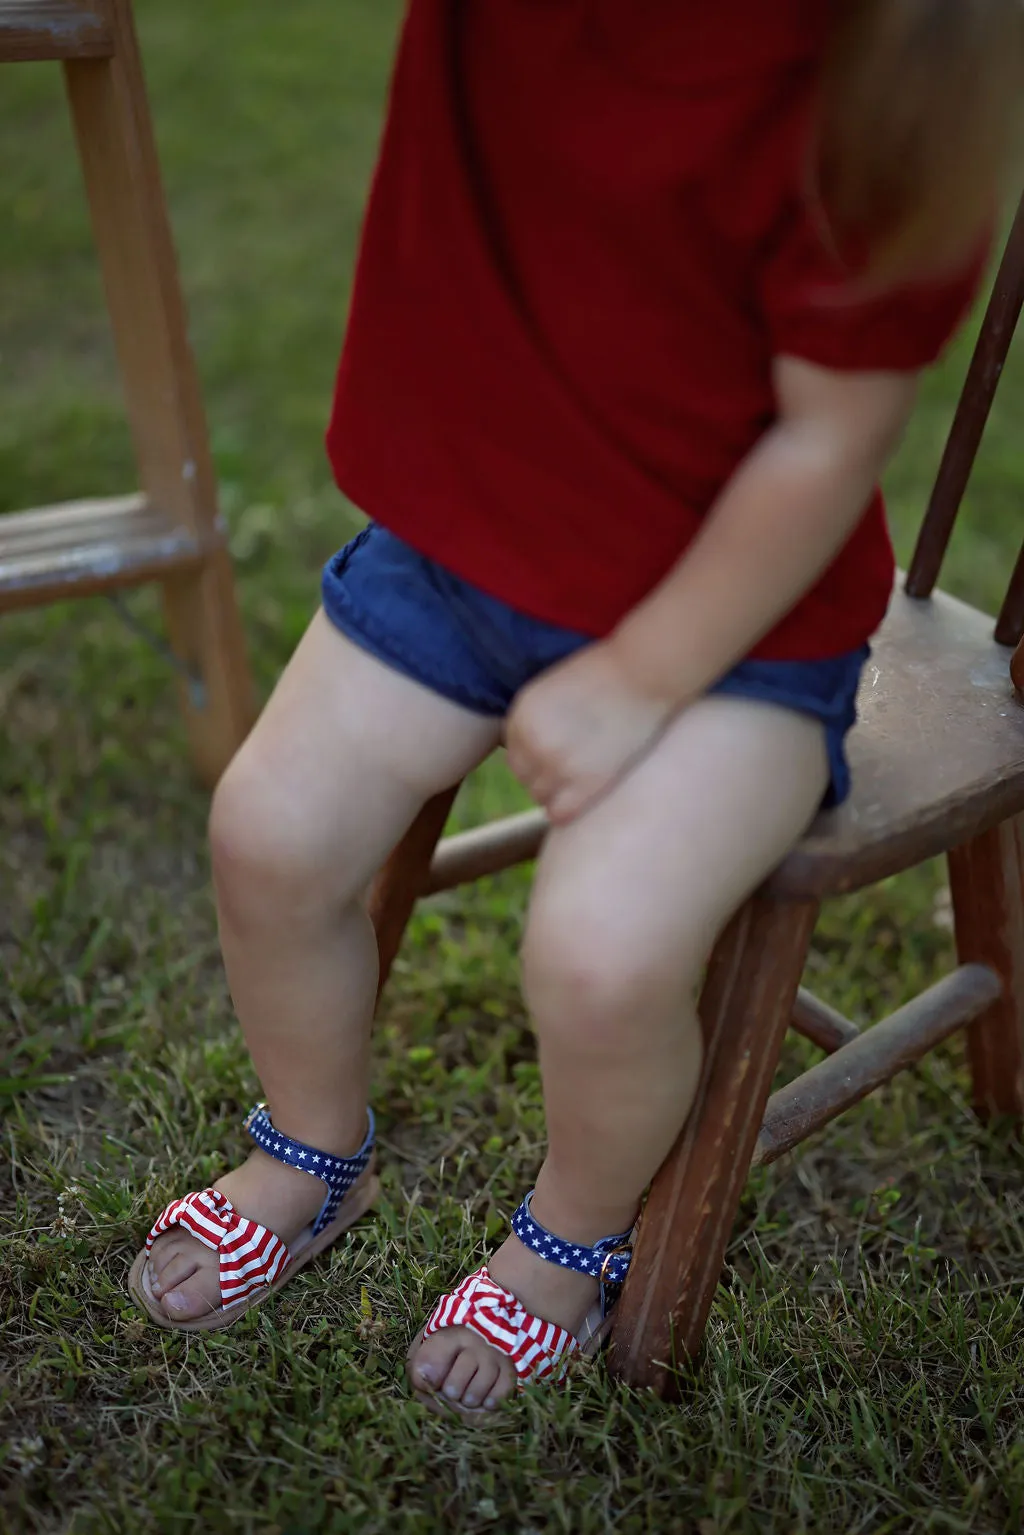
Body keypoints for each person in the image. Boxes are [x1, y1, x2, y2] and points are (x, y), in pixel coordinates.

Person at [128, 0, 1023, 1416]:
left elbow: (830, 434)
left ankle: (570, 1234)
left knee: (600, 954)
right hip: (466, 545)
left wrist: (643, 672)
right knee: (270, 832)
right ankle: (311, 1142)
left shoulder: (877, 68)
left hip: (736, 622)